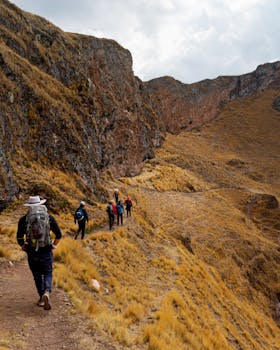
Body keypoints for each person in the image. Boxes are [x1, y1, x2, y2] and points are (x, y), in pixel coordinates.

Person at [17, 196, 61, 310]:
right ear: (41, 204)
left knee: (36, 274)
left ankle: (41, 297)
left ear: (29, 206)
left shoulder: (24, 219)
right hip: (46, 250)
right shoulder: (49, 218)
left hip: (32, 252)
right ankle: (47, 291)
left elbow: (19, 237)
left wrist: (24, 247)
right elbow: (59, 235)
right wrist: (53, 246)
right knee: (48, 272)